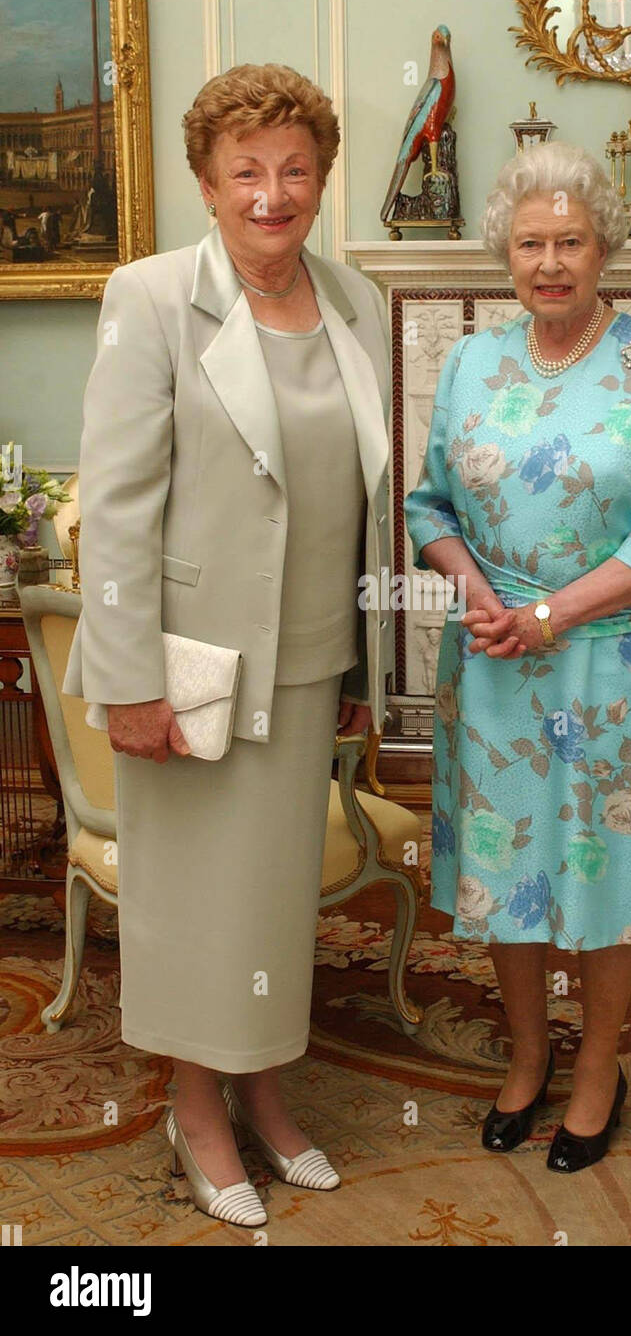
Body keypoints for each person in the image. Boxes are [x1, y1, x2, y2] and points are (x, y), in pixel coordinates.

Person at [63, 62, 394, 1225]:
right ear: (207, 183)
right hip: (191, 670)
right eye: (246, 171)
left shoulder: (357, 301)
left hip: (309, 663)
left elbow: (361, 501)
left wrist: (364, 666)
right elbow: (113, 505)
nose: (273, 192)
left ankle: (262, 1083)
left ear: (320, 178)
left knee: (269, 902)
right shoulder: (151, 297)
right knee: (196, 907)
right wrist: (130, 681)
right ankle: (194, 1107)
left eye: (294, 168)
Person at [404, 140, 631, 1173]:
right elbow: (428, 504)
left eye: (569, 241)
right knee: (506, 870)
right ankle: (529, 1057)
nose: (549, 262)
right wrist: (482, 595)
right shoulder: (468, 362)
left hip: (608, 664)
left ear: (602, 246)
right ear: (505, 251)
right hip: (493, 658)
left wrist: (550, 615)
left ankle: (598, 1068)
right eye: (530, 242)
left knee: (604, 866)